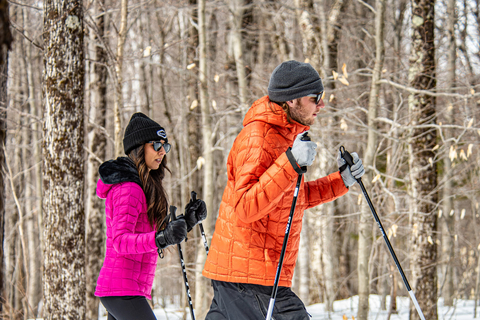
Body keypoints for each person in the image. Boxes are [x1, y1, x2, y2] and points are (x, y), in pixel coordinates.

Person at [202, 60, 365, 319]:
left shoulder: (283, 137)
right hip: (250, 277)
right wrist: (290, 163)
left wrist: (342, 180)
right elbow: (244, 207)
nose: (321, 104)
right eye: (315, 97)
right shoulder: (259, 137)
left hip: (249, 277)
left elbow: (289, 199)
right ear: (292, 100)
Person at [95, 112, 207, 320]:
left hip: (125, 289)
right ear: (138, 148)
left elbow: (152, 234)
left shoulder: (142, 187)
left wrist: (187, 221)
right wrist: (161, 238)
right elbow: (120, 241)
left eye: (165, 146)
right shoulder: (129, 188)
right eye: (156, 145)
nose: (162, 151)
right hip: (122, 289)